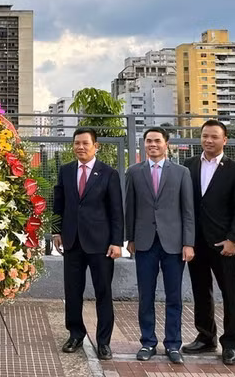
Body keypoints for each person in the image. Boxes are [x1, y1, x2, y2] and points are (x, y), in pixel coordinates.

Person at [181, 119, 235, 365]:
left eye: (214, 136)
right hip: (196, 243)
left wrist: (234, 240)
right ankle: (205, 336)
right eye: (205, 136)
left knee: (230, 294)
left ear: (225, 140)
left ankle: (230, 343)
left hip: (224, 245)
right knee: (201, 292)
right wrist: (186, 240)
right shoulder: (187, 166)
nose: (208, 140)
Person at [125, 126, 194, 364]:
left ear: (167, 144)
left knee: (174, 296)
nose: (152, 145)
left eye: (157, 140)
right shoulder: (133, 172)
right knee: (146, 295)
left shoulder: (181, 172)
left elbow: (187, 211)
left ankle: (173, 344)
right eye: (148, 141)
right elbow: (130, 208)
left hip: (174, 245)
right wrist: (130, 238)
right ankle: (148, 342)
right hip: (145, 243)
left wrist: (188, 243)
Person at [53, 127, 123, 360]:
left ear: (96, 146)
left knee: (103, 292)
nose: (80, 147)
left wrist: (116, 241)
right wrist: (56, 232)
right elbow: (59, 203)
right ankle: (75, 334)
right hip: (72, 241)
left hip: (100, 244)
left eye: (85, 143)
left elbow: (116, 211)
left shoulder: (108, 173)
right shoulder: (65, 171)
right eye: (76, 143)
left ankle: (103, 341)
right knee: (72, 291)